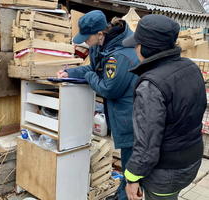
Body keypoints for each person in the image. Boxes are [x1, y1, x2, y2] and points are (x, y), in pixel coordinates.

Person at [57, 10, 139, 200]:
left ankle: (125, 196)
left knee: (131, 166)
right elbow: (93, 70)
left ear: (100, 34)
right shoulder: (101, 47)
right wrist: (71, 72)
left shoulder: (122, 55)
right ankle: (122, 195)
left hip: (130, 118)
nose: (85, 42)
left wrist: (88, 75)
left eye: (87, 38)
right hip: (118, 114)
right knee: (129, 165)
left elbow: (108, 89)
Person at [122, 14, 206, 200]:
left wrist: (132, 177)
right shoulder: (189, 67)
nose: (135, 48)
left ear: (144, 47)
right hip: (192, 159)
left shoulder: (151, 85)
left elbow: (147, 145)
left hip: (166, 171)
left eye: (137, 44)